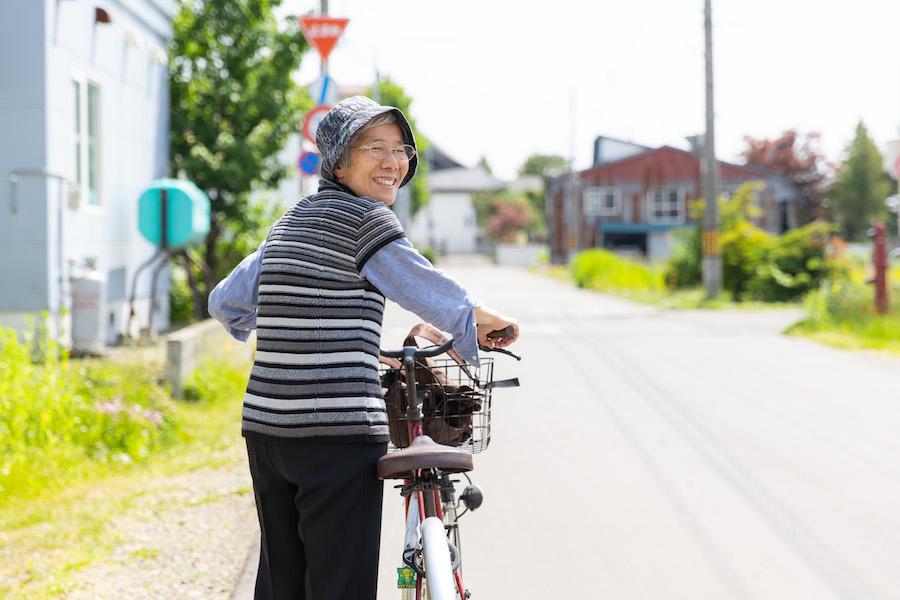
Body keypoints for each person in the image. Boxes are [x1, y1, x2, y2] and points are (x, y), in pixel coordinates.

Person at [208, 95, 519, 600]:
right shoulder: (367, 222)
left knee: (282, 581)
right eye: (375, 147)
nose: (393, 162)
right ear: (337, 160)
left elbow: (226, 302)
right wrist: (488, 322)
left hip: (266, 429)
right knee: (339, 584)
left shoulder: (290, 222)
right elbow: (427, 289)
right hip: (336, 433)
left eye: (401, 150)